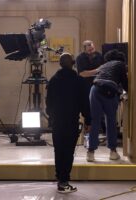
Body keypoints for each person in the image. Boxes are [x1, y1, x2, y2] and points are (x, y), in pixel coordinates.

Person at [46, 53, 89, 193]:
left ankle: (60, 179)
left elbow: (48, 103)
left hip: (57, 121)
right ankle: (64, 181)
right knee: (68, 151)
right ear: (73, 63)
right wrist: (88, 119)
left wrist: (52, 117)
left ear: (60, 64)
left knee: (58, 150)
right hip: (71, 121)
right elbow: (84, 103)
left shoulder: (53, 80)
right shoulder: (79, 81)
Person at [81, 49, 128, 162]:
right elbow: (125, 83)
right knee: (111, 121)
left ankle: (90, 153)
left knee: (95, 121)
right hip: (109, 91)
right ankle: (113, 152)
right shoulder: (121, 65)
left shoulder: (104, 65)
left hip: (95, 89)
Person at [76, 40, 103, 132]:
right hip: (85, 87)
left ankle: (98, 129)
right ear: (84, 50)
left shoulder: (99, 56)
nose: (91, 52)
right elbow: (82, 74)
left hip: (98, 85)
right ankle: (88, 130)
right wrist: (97, 70)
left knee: (99, 107)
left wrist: (91, 72)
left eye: (92, 49)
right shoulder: (80, 58)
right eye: (89, 50)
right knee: (87, 109)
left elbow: (103, 70)